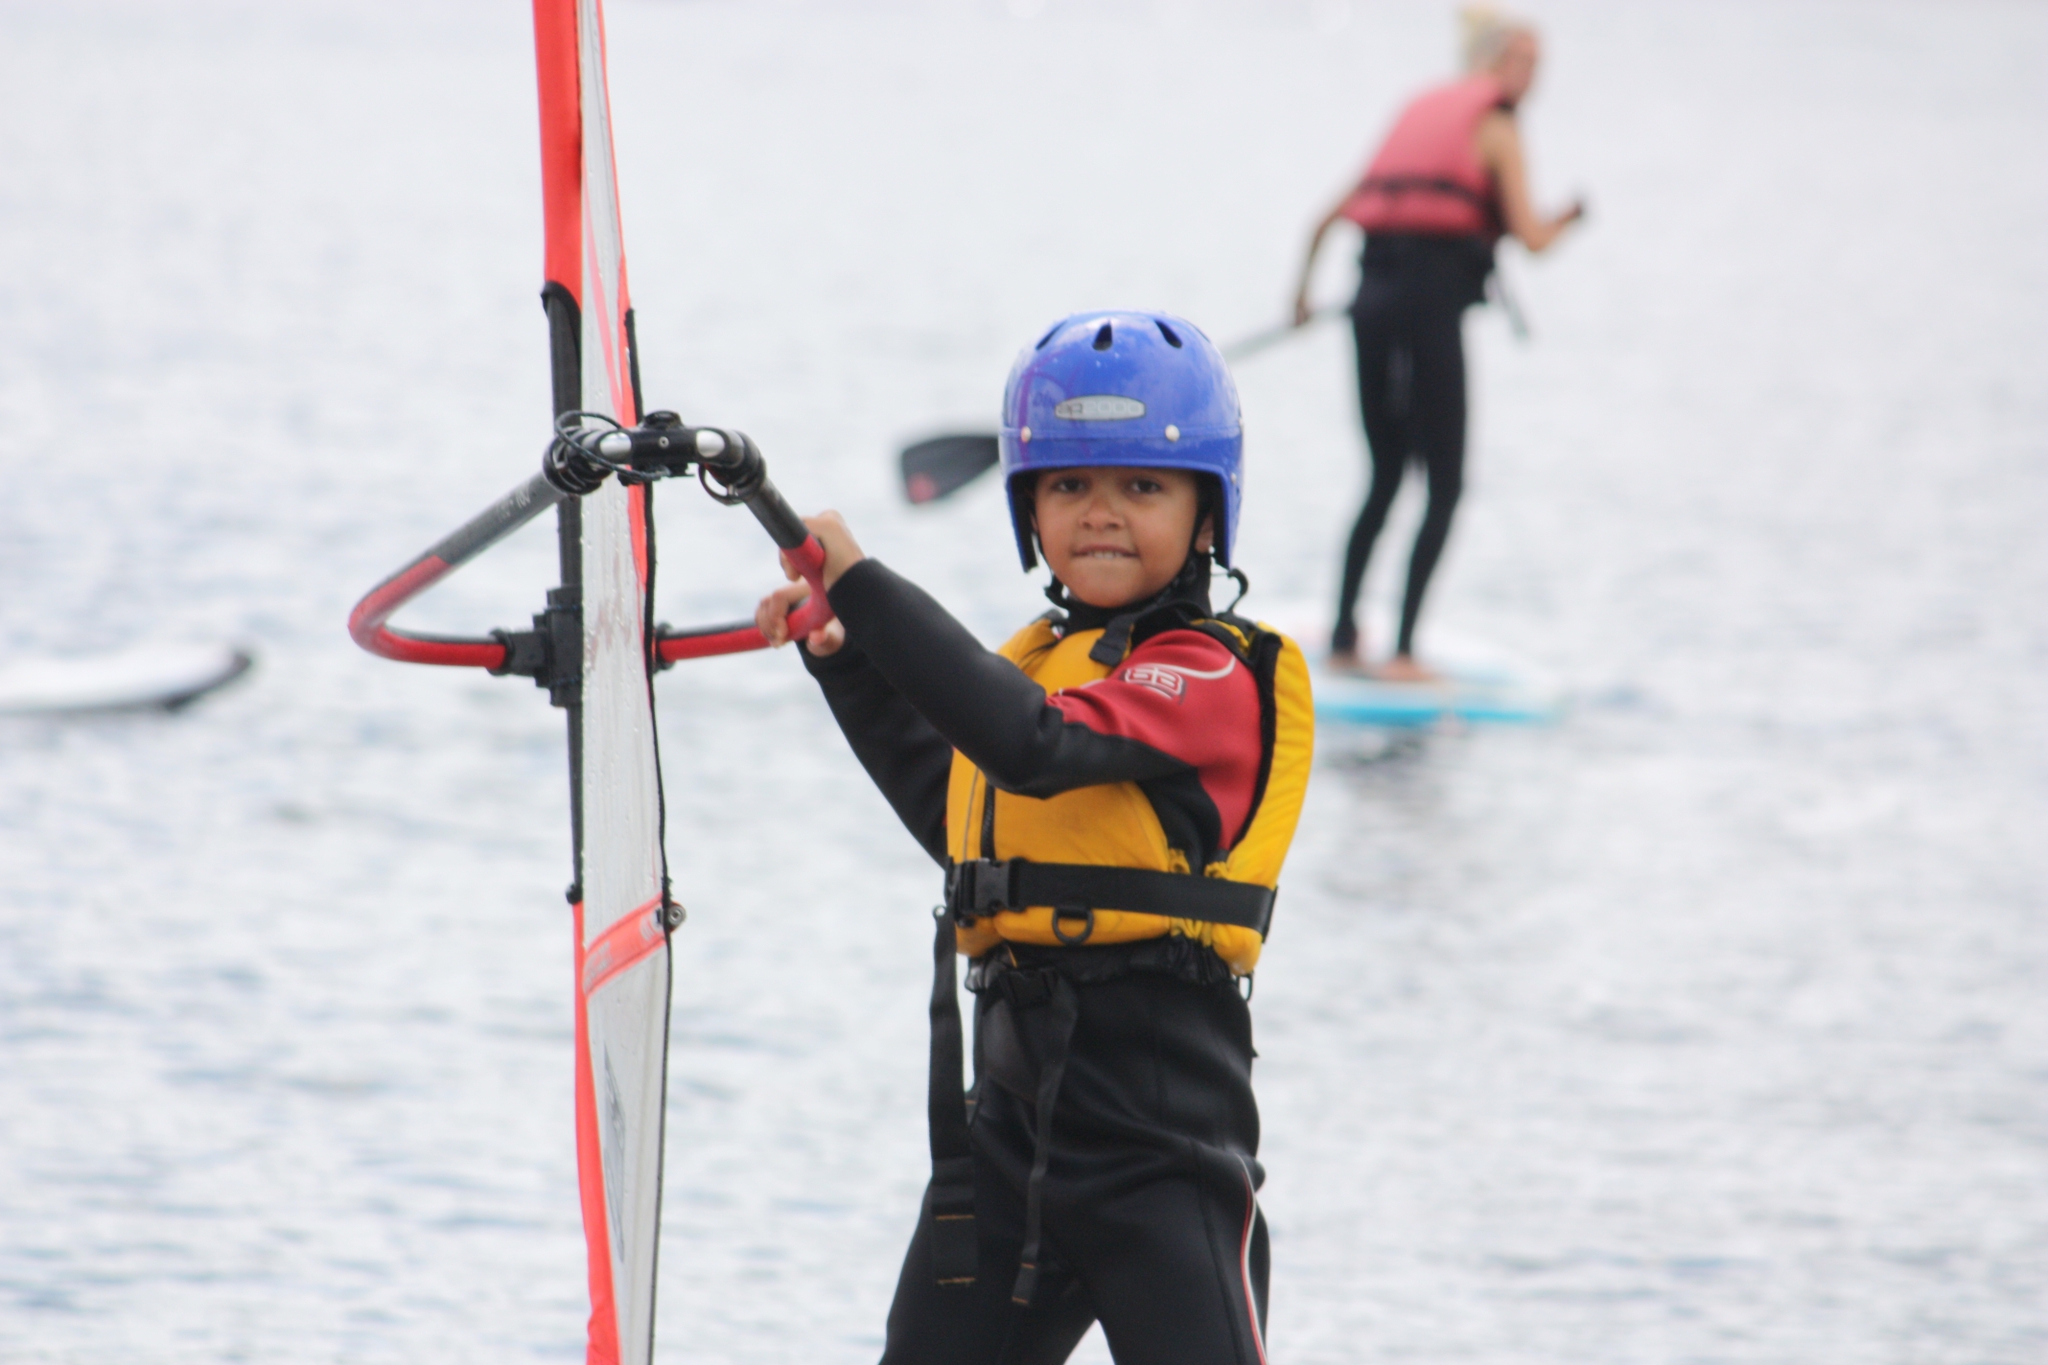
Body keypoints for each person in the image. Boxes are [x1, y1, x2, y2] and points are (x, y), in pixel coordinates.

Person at [755, 311, 1314, 1365]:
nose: (1099, 515)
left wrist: (867, 588)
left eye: (1140, 487)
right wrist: (844, 660)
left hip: (1160, 1148)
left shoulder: (1212, 673)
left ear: (1207, 514)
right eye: (1066, 487)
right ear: (1028, 509)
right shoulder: (1045, 661)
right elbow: (961, 820)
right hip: (1004, 1139)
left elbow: (1031, 747)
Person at [1293, 6, 1583, 679]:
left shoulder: (1420, 112)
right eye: (1528, 62)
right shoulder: (1498, 126)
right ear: (1496, 62)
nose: (1534, 77)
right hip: (1426, 315)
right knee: (1444, 485)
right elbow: (1532, 239)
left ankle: (1342, 638)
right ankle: (1401, 651)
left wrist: (1301, 299)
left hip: (1369, 303)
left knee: (1385, 476)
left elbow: (1323, 221)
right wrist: (1570, 218)